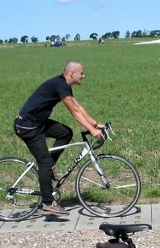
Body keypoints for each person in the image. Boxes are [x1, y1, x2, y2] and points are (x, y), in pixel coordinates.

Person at [14, 61, 105, 215]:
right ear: (72, 74)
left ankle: (49, 167)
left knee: (65, 133)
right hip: (27, 127)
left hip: (38, 123)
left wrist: (95, 124)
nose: (84, 75)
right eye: (81, 73)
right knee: (44, 162)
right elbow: (74, 112)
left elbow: (78, 107)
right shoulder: (60, 84)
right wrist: (91, 130)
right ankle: (48, 204)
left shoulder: (63, 85)